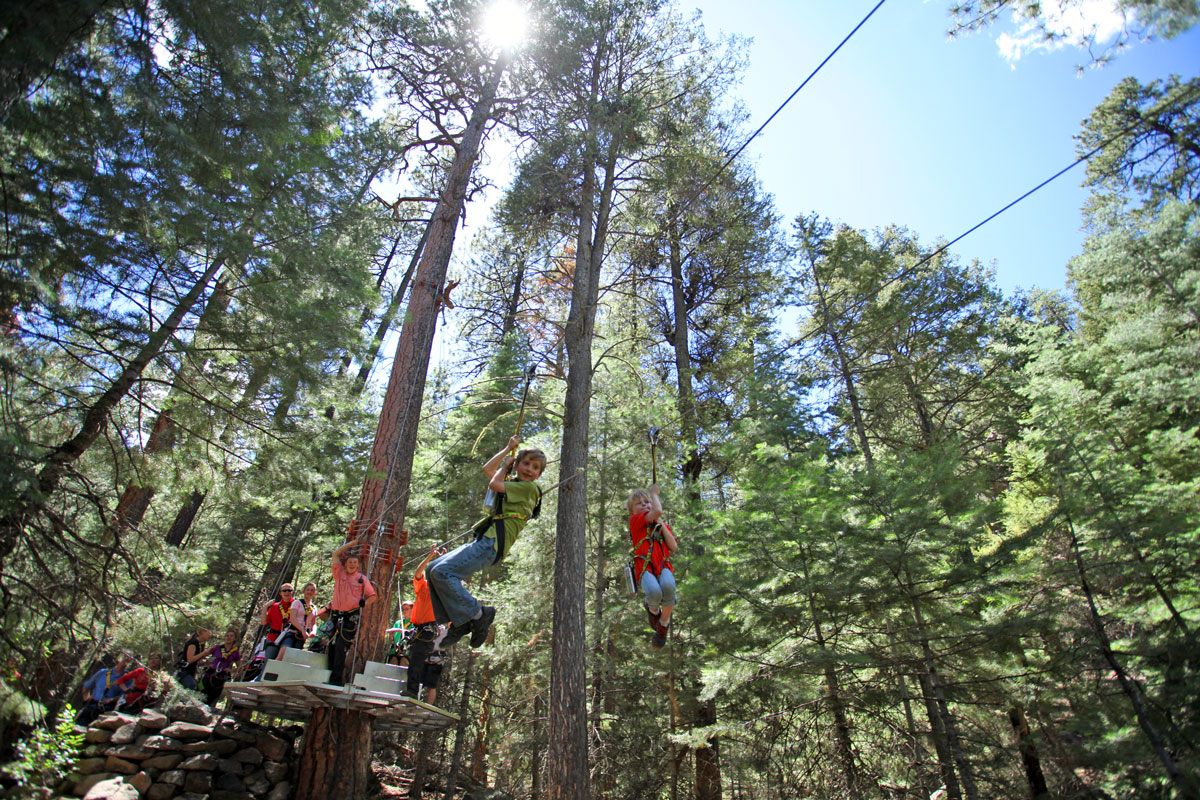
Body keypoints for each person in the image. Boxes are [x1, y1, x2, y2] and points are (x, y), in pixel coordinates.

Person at [428, 436, 545, 650]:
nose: (529, 469)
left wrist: (506, 467)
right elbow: (487, 469)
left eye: (535, 467)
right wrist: (507, 451)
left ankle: (478, 614)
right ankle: (459, 622)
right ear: (517, 465)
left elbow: (494, 483)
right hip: (486, 538)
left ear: (539, 474)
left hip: (493, 542)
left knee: (442, 573)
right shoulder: (514, 484)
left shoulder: (530, 489)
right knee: (432, 568)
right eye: (525, 463)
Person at [629, 484, 678, 649]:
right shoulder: (635, 522)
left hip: (663, 563)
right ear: (632, 511)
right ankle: (653, 611)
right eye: (638, 503)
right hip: (645, 565)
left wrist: (661, 523)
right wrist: (654, 494)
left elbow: (673, 547)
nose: (644, 504)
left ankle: (663, 625)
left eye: (647, 501)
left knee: (668, 586)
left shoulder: (658, 523)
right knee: (655, 592)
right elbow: (656, 511)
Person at [327, 538, 377, 685]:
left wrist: (364, 603)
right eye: (350, 562)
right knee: (331, 646)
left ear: (358, 565)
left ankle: (336, 680)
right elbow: (335, 555)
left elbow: (373, 596)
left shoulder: (361, 579)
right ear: (346, 563)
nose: (352, 564)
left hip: (350, 616)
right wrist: (350, 544)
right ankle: (328, 675)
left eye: (355, 563)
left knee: (342, 647)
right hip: (335, 614)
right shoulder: (339, 573)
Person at [404, 545, 448, 703]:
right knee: (413, 659)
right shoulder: (423, 586)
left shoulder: (442, 588)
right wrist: (429, 557)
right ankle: (412, 689)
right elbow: (418, 572)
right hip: (417, 629)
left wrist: (444, 560)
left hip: (428, 629)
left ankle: (411, 691)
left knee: (417, 659)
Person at [76, 651, 130, 725]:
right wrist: (87, 699)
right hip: (91, 706)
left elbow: (125, 696)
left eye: (129, 659)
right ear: (119, 659)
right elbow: (86, 685)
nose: (126, 661)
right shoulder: (103, 672)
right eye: (125, 657)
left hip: (106, 710)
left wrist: (111, 700)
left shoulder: (128, 679)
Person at [259, 584, 301, 665]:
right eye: (284, 590)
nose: (287, 592)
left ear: (292, 592)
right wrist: (265, 607)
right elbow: (263, 622)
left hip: (289, 638)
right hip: (273, 638)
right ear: (280, 593)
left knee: (282, 664)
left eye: (289, 590)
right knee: (268, 664)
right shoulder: (275, 606)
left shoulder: (297, 606)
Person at [201, 629, 242, 706]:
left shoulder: (235, 652)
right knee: (202, 695)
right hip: (209, 675)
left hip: (220, 678)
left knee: (212, 699)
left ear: (235, 639)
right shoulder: (217, 648)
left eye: (231, 636)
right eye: (227, 636)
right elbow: (204, 656)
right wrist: (207, 663)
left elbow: (240, 667)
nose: (228, 637)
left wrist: (231, 670)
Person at [387, 600, 414, 666]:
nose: (404, 611)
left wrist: (400, 630)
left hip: (407, 651)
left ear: (412, 610)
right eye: (403, 609)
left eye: (407, 609)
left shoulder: (414, 623)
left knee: (403, 662)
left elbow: (411, 634)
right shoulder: (398, 623)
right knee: (393, 662)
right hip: (395, 650)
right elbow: (392, 638)